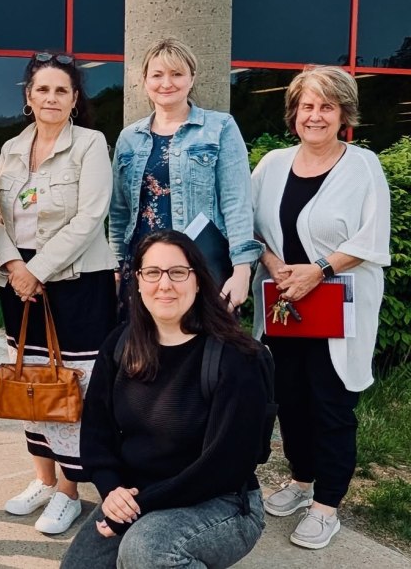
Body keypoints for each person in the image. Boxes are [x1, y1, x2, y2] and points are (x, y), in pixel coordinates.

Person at [62, 230, 268, 568]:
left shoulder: (235, 358)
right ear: (138, 282)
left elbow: (224, 467)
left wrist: (139, 506)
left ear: (199, 281)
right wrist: (112, 491)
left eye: (178, 272)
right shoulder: (120, 346)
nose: (165, 284)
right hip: (139, 493)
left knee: (147, 550)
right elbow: (97, 436)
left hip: (220, 501)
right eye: (153, 273)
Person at [251, 66, 390, 550]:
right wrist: (273, 263)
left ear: (343, 113)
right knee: (290, 399)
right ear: (295, 113)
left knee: (331, 404)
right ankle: (302, 480)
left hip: (338, 308)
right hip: (285, 304)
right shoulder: (271, 164)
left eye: (327, 106)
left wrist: (319, 269)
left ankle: (326, 505)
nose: (315, 116)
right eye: (307, 106)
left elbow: (372, 238)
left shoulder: (363, 166)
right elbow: (249, 226)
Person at [0, 52, 117, 535]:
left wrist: (37, 268)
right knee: (31, 382)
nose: (52, 98)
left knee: (72, 387)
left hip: (78, 284)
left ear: (75, 99)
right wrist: (16, 266)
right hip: (20, 286)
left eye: (62, 90)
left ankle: (70, 491)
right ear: (28, 97)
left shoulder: (91, 144)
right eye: (43, 89)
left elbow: (90, 216)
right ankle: (42, 478)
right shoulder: (12, 150)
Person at [109, 37, 260, 320]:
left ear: (192, 78)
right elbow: (119, 211)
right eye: (157, 75)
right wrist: (116, 267)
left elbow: (236, 202)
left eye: (177, 74)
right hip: (143, 270)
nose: (167, 83)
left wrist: (242, 270)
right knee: (143, 355)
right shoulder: (129, 139)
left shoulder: (219, 128)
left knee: (203, 352)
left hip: (201, 265)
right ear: (144, 80)